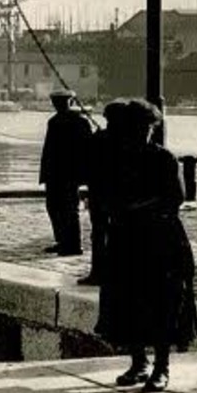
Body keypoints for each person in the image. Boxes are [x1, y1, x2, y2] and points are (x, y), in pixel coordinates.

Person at [94, 100, 197, 393]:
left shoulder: (164, 158)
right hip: (126, 238)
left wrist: (132, 208)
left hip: (160, 240)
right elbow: (104, 195)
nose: (142, 134)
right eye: (136, 128)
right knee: (127, 300)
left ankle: (161, 367)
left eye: (146, 128)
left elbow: (175, 199)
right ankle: (138, 362)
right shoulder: (117, 158)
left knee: (162, 301)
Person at [78, 101, 126, 287]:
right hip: (121, 195)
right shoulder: (130, 141)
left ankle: (98, 272)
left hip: (100, 193)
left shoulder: (99, 138)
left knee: (99, 234)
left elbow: (87, 164)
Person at [40, 90, 93, 256]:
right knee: (54, 207)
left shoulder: (77, 122)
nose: (58, 105)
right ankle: (63, 241)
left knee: (68, 208)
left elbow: (86, 149)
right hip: (58, 173)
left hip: (67, 173)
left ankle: (73, 245)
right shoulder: (59, 121)